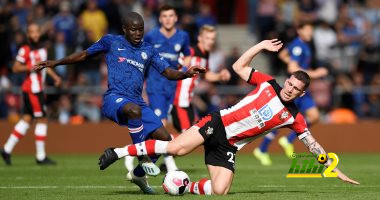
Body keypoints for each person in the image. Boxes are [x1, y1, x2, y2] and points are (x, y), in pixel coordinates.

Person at [98, 39, 359, 195]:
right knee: (177, 148)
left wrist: (331, 168)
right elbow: (238, 67)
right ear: (287, 80)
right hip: (217, 123)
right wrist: (260, 46)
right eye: (289, 83)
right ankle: (119, 152)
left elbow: (312, 144)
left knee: (220, 190)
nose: (290, 88)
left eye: (296, 89)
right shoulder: (268, 83)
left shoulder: (294, 117)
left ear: (302, 94)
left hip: (230, 145)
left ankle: (181, 186)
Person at [34, 12, 205, 194]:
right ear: (124, 29)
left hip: (138, 102)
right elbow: (84, 54)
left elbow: (168, 72)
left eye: (141, 29)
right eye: (133, 30)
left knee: (166, 140)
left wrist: (185, 73)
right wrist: (56, 62)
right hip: (114, 98)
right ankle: (142, 157)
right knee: (133, 111)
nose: (138, 33)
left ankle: (138, 174)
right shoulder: (111, 41)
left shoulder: (148, 49)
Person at [124, 5, 191, 175]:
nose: (168, 19)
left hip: (173, 88)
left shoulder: (183, 36)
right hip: (156, 87)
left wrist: (185, 65)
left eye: (171, 15)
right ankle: (170, 167)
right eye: (164, 16)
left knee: (170, 129)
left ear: (176, 18)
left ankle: (133, 151)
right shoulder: (152, 36)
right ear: (160, 18)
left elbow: (187, 55)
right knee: (162, 126)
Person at [254, 23, 328, 166]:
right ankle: (263, 149)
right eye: (308, 30)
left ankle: (285, 141)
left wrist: (293, 63)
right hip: (295, 90)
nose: (310, 33)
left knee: (312, 116)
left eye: (311, 30)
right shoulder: (299, 46)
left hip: (301, 91)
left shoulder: (298, 44)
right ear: (300, 31)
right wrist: (316, 73)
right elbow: (292, 67)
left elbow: (283, 55)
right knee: (282, 119)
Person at [1, 23, 61, 166]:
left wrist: (54, 76)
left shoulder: (42, 49)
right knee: (42, 119)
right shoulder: (25, 49)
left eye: (36, 32)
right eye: (32, 32)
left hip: (38, 89)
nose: (34, 34)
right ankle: (40, 157)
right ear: (28, 34)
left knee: (26, 120)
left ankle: (6, 149)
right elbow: (15, 67)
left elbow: (44, 66)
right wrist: (29, 66)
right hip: (32, 90)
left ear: (39, 33)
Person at [171, 25, 230, 133]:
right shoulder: (190, 52)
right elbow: (173, 68)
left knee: (189, 138)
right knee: (186, 138)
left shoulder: (205, 55)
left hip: (188, 102)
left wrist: (220, 76)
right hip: (179, 102)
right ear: (199, 38)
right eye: (207, 38)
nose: (210, 41)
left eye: (212, 39)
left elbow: (206, 74)